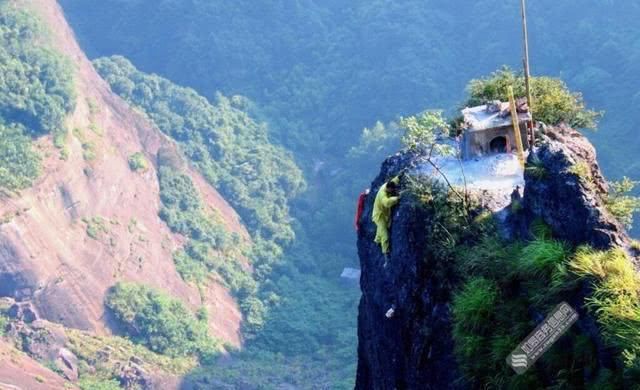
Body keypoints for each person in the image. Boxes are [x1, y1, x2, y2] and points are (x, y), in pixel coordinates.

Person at [372, 176, 401, 262]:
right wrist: (397, 198)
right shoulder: (383, 194)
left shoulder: (387, 185)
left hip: (382, 214)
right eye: (392, 190)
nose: (393, 192)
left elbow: (393, 181)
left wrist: (399, 177)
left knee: (380, 229)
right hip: (379, 216)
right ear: (388, 189)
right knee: (385, 235)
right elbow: (387, 203)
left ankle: (377, 241)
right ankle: (386, 256)